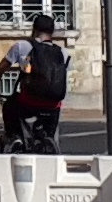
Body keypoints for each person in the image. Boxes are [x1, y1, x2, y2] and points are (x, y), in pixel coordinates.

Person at [14, 22, 71, 155]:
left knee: (11, 104)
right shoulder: (63, 52)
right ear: (52, 32)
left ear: (34, 30)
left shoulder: (24, 47)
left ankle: (19, 140)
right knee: (51, 133)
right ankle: (52, 146)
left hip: (29, 102)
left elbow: (8, 69)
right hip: (53, 104)